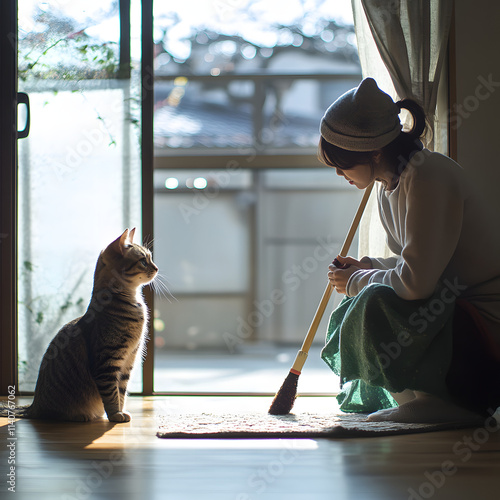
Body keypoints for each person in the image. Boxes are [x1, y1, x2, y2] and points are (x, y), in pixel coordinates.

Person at [318, 77, 500, 424]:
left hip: (483, 323)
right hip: (455, 310)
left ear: (373, 151)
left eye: (342, 162)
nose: (339, 172)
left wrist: (359, 279)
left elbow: (416, 284)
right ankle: (422, 401)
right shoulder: (392, 186)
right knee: (361, 298)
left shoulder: (429, 175)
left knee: (371, 302)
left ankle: (447, 404)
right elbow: (423, 264)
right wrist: (369, 265)